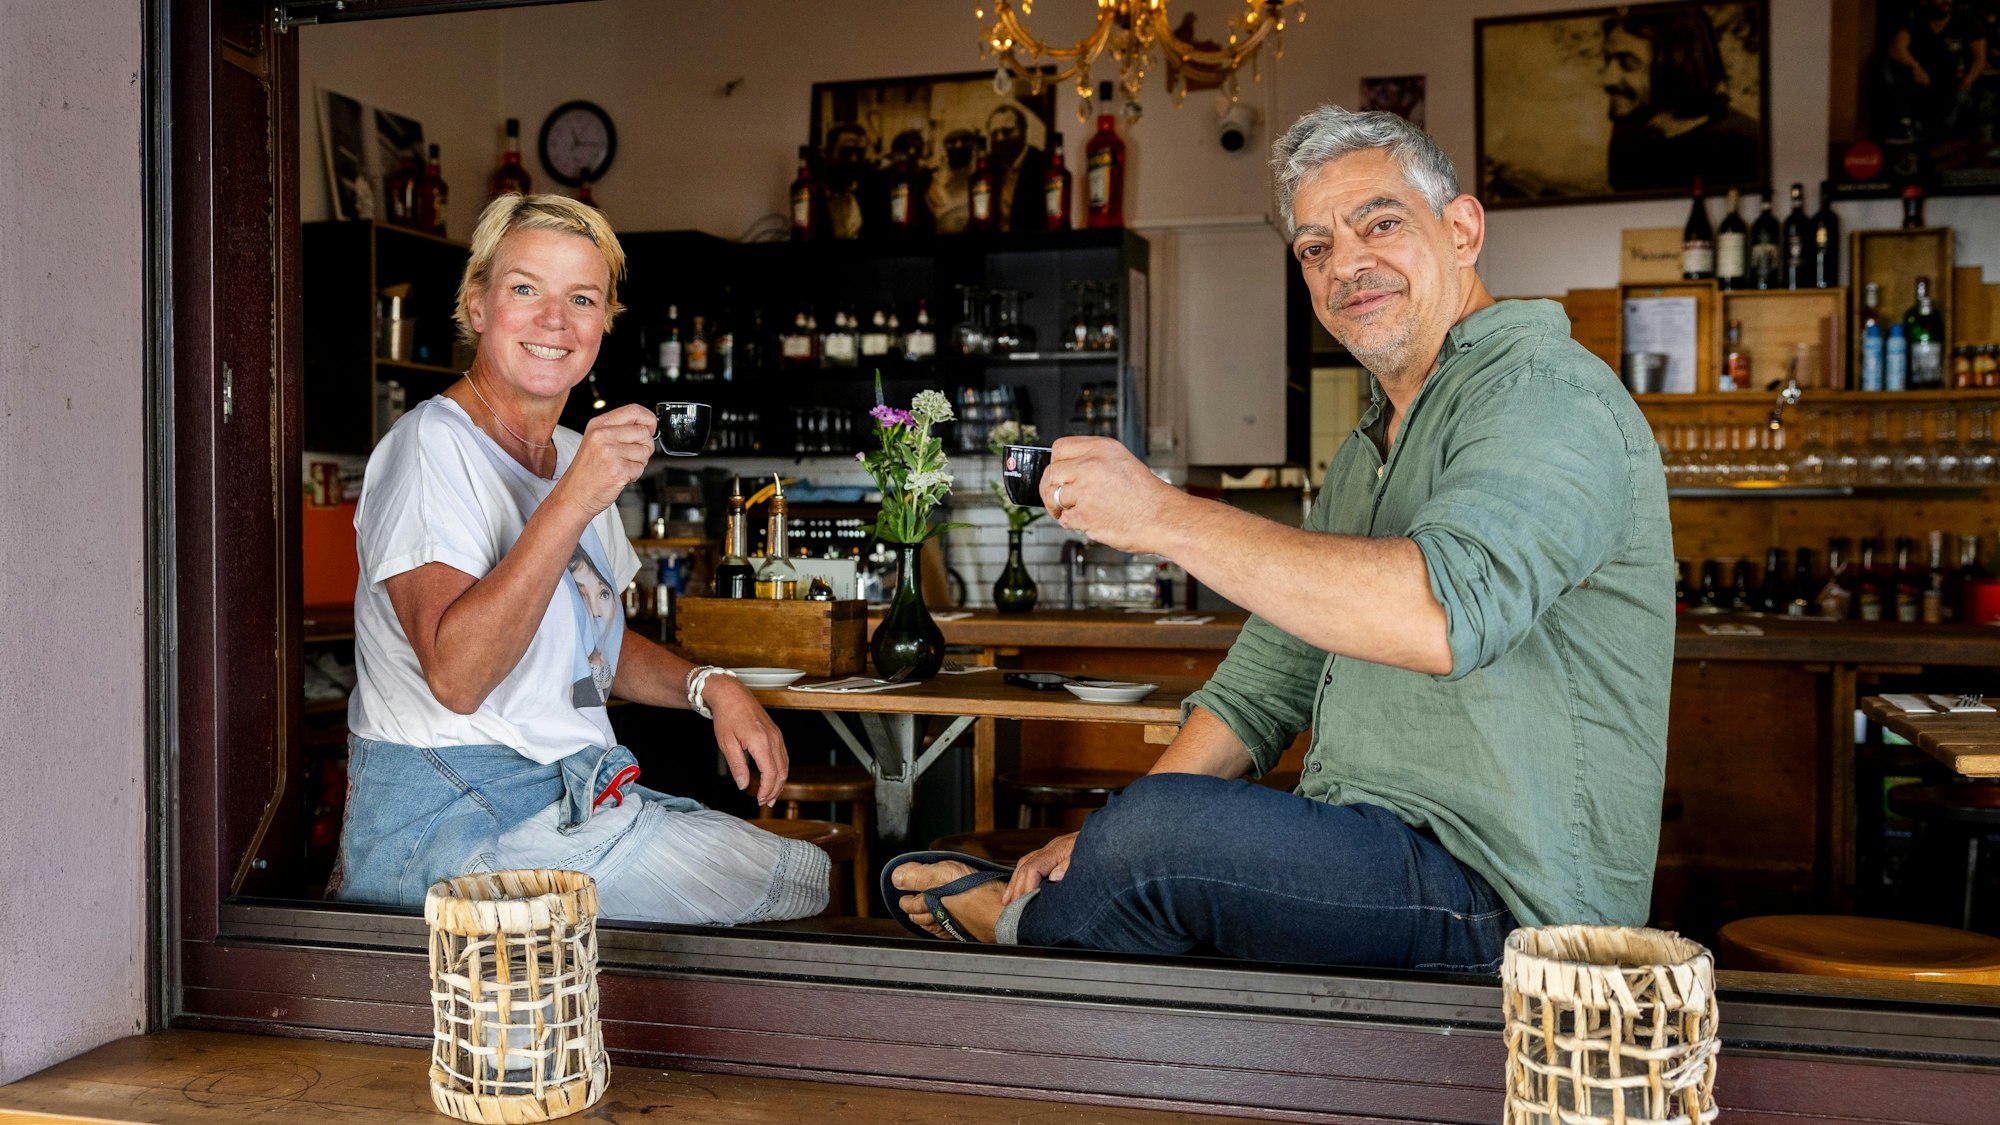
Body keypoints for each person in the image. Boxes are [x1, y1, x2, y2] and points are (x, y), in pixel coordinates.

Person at [888, 106, 1674, 972]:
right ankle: (1086, 902)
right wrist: (1106, 837)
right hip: (1372, 851)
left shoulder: (1548, 394)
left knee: (1161, 837)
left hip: (1513, 900)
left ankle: (1027, 922)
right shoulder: (1369, 448)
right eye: (1315, 247)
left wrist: (1161, 513)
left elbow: (1440, 613)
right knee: (1146, 823)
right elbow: (1265, 685)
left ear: (1461, 230)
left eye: (1380, 223)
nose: (1348, 264)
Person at [329, 193, 828, 924]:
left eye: (582, 298)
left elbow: (597, 646)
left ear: (602, 325)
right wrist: (573, 497)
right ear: (477, 306)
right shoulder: (428, 448)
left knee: (798, 875)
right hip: (451, 826)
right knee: (791, 881)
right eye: (525, 288)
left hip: (559, 806)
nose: (554, 320)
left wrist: (711, 686)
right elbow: (457, 676)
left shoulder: (570, 452)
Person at [1598, 7, 1760, 192]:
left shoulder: (1744, 147)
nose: (1607, 79)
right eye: (1607, 60)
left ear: (1675, 64)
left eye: (1627, 63)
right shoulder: (1628, 133)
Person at [1886, 0, 1989, 144]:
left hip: (1955, 82)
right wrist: (1916, 67)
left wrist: (1968, 80)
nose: (1946, 1)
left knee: (1958, 102)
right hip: (1922, 81)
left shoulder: (1967, 21)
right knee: (1886, 68)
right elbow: (1896, 49)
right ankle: (1907, 128)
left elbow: (1979, 59)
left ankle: (1934, 141)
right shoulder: (1915, 19)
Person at [984, 103, 1050, 233]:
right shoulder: (989, 168)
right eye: (994, 134)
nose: (1000, 138)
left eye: (1007, 131)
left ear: (1024, 131)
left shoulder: (1042, 164)